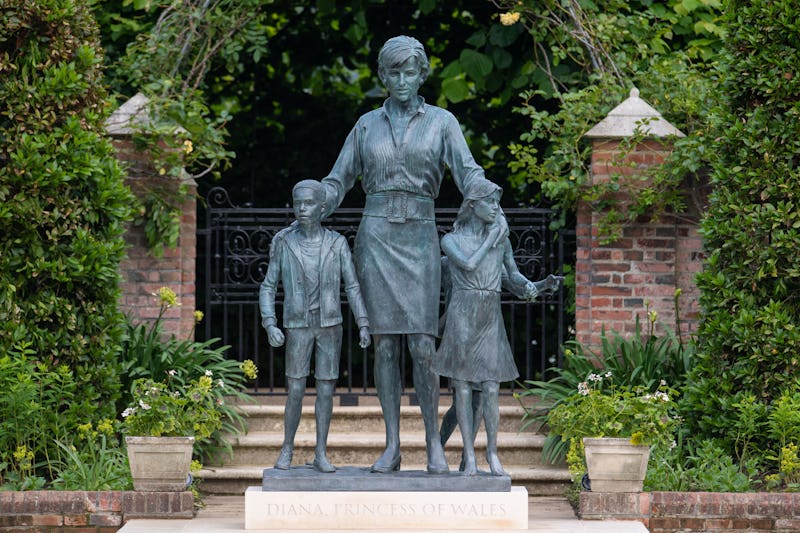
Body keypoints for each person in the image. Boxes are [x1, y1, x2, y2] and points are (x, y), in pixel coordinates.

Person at [319, 35, 506, 474]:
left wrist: (491, 204)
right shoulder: (365, 125)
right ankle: (392, 446)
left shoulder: (442, 122)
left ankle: (432, 445)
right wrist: (313, 205)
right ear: (383, 76)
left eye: (410, 72)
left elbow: (468, 173)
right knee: (385, 345)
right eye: (394, 72)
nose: (402, 80)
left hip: (421, 236)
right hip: (377, 237)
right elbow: (338, 179)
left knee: (423, 344)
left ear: (422, 75)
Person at [432, 178, 562, 476]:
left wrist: (542, 286)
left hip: (489, 316)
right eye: (489, 202)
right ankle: (469, 456)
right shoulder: (451, 240)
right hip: (462, 315)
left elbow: (514, 279)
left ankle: (491, 452)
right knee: (462, 388)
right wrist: (492, 239)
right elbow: (467, 265)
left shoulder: (500, 240)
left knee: (491, 388)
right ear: (472, 205)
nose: (495, 208)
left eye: (496, 202)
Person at [259, 179, 371, 473]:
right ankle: (287, 447)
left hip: (330, 324)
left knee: (325, 390)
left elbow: (353, 286)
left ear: (323, 208)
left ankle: (321, 452)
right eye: (298, 203)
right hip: (297, 325)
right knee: (295, 389)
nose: (302, 209)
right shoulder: (284, 242)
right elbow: (268, 286)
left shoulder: (336, 243)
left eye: (309, 204)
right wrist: (270, 323)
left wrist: (363, 322)